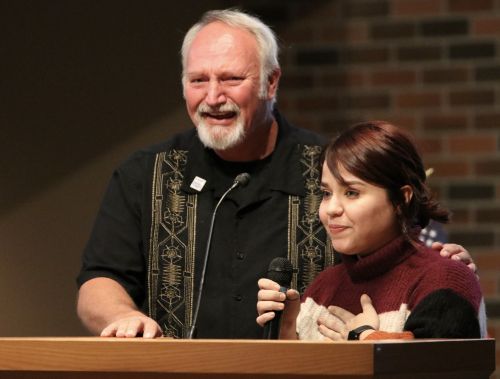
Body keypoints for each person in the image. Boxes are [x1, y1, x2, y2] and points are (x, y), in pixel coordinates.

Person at [76, 9, 476, 340]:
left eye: (232, 79)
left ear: (271, 81)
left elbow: (403, 252)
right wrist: (122, 317)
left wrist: (442, 261)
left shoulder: (329, 169)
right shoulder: (145, 173)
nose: (213, 97)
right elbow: (101, 279)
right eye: (198, 80)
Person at [256, 121, 486, 341]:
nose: (332, 209)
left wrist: (365, 337)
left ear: (401, 199)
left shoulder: (444, 278)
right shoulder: (324, 286)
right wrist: (286, 328)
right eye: (326, 193)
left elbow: (435, 365)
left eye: (352, 193)